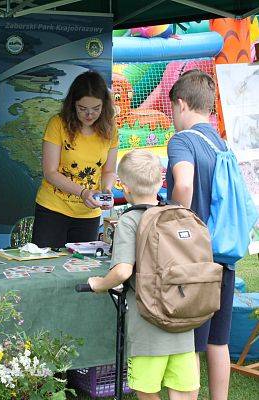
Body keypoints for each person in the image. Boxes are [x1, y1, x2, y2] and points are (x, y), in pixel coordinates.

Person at [88, 149, 199, 400]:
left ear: (124, 188)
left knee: (147, 388)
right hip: (183, 316)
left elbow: (123, 270)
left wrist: (100, 284)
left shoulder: (129, 221)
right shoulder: (177, 214)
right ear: (161, 181)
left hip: (148, 321)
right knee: (183, 387)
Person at [167, 69, 233, 400]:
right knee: (217, 341)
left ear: (181, 104)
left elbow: (184, 184)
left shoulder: (183, 140)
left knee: (189, 342)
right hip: (225, 253)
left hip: (194, 257)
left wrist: (172, 221)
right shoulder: (222, 142)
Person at [31, 71, 118, 248]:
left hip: (88, 214)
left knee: (81, 269)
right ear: (72, 104)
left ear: (105, 106)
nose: (89, 115)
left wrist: (107, 191)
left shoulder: (111, 129)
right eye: (82, 108)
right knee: (47, 266)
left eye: (96, 108)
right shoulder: (57, 124)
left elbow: (109, 170)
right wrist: (83, 192)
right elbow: (50, 172)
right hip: (53, 209)